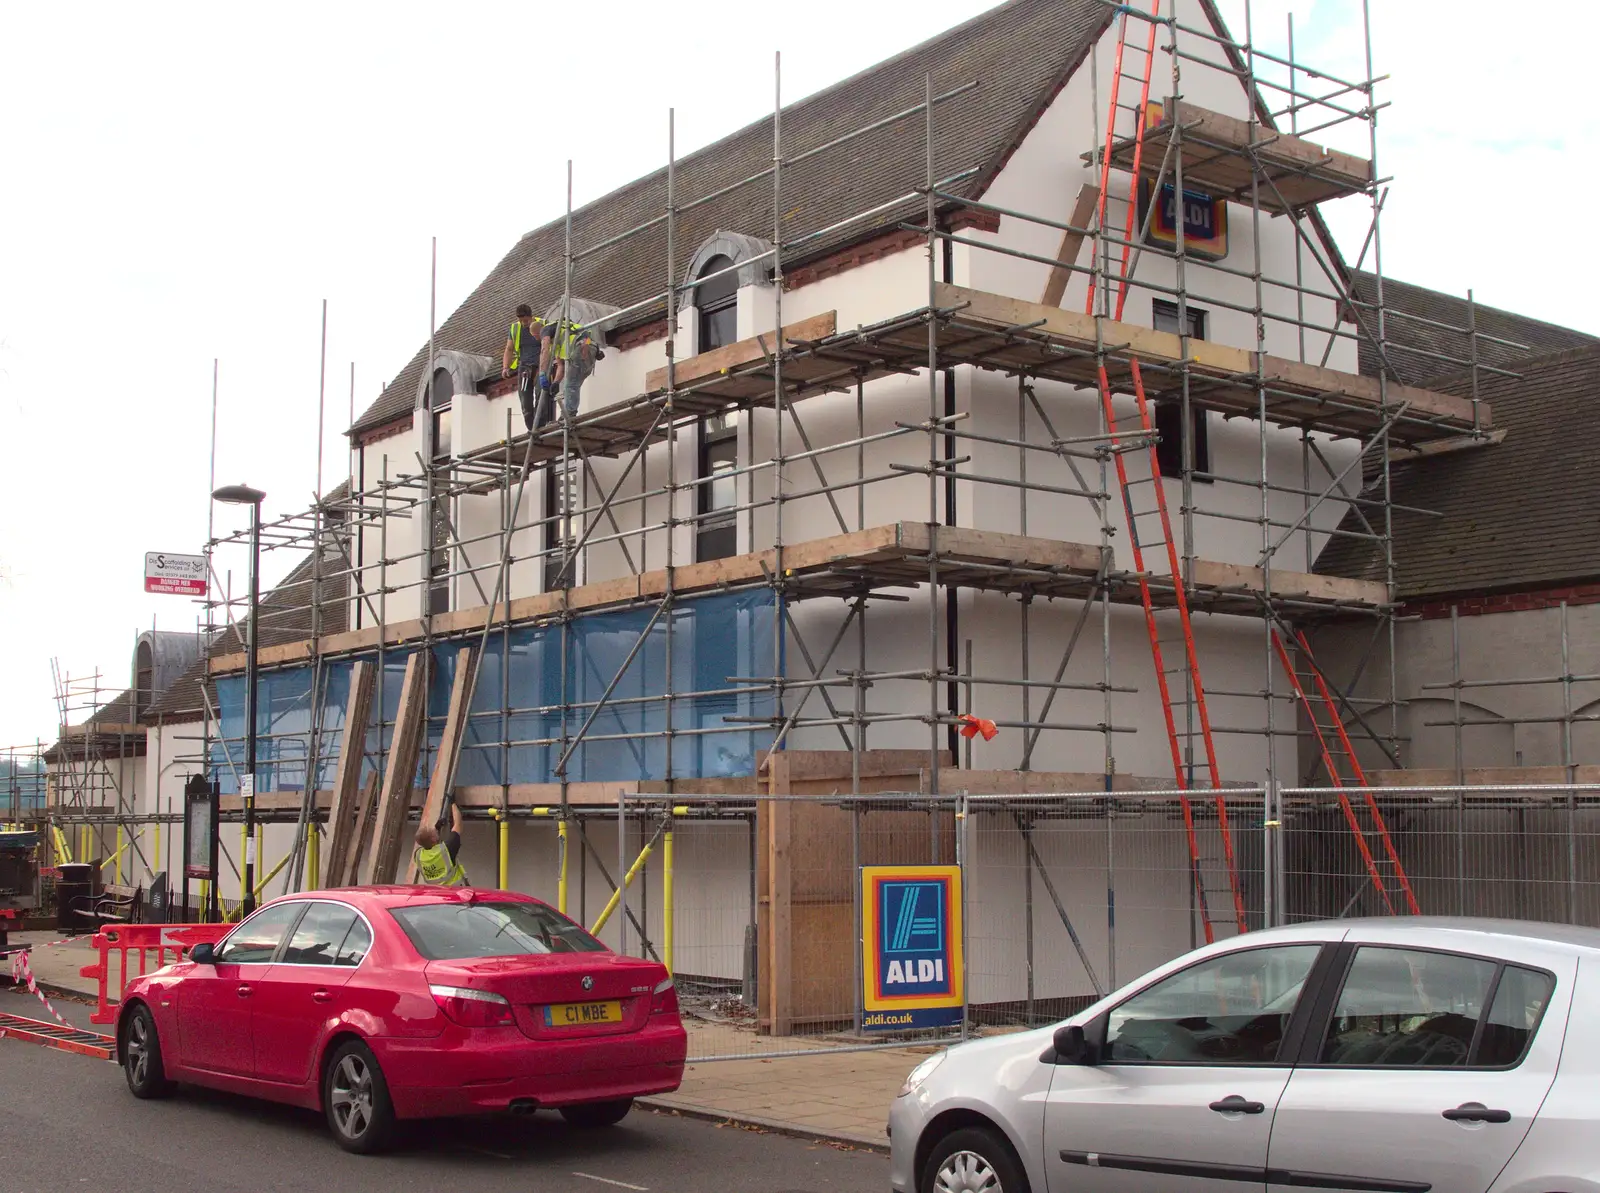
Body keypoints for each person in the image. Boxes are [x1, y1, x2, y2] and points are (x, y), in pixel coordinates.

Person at [540, 315, 605, 427]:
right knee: (571, 384)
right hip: (586, 352)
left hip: (583, 348)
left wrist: (585, 346)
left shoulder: (548, 329)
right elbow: (561, 366)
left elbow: (588, 336)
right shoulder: (557, 342)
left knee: (571, 384)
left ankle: (569, 414)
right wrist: (555, 382)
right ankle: (568, 413)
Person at [501, 304, 548, 433]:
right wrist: (505, 367)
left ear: (531, 317)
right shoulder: (515, 328)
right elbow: (509, 349)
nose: (523, 323)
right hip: (524, 369)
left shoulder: (542, 324)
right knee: (525, 401)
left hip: (540, 366)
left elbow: (549, 345)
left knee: (541, 395)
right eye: (521, 321)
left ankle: (541, 427)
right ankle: (532, 429)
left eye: (526, 321)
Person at [413, 802, 467, 887]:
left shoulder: (418, 855)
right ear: (434, 839)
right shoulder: (446, 850)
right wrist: (452, 804)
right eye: (432, 831)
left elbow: (425, 841)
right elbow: (458, 825)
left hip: (438, 892)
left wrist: (437, 828)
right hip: (456, 891)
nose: (433, 829)